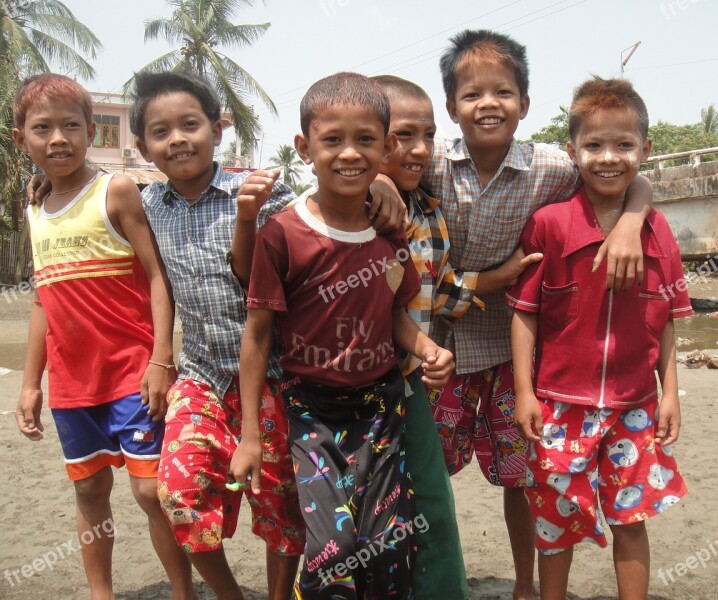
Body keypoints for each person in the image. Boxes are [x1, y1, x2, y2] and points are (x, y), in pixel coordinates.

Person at [420, 30, 655, 599]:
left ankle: (525, 585)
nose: (488, 104)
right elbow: (382, 167)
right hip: (438, 345)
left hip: (514, 346)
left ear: (525, 103)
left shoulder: (552, 165)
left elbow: (626, 175)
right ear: (451, 107)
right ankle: (427, 579)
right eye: (472, 94)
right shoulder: (430, 163)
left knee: (521, 476)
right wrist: (379, 179)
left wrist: (630, 221)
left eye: (503, 91)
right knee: (425, 472)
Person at [237, 72, 454, 600]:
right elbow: (258, 335)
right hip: (311, 415)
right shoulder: (281, 235)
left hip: (382, 408)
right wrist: (249, 436)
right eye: (332, 140)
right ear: (305, 148)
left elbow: (396, 316)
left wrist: (427, 348)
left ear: (386, 149)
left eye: (365, 140)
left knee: (386, 546)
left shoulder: (389, 234)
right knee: (332, 548)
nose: (349, 154)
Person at [11, 73, 195, 599]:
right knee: (90, 488)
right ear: (22, 139)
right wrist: (30, 384)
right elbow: (44, 299)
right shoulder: (35, 208)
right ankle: (101, 593)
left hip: (131, 375)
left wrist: (160, 361)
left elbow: (158, 276)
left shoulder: (114, 191)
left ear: (93, 130)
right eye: (42, 128)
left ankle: (184, 591)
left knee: (150, 491)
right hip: (72, 384)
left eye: (71, 125)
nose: (58, 138)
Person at [507, 77, 690, 600]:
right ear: (573, 151)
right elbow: (525, 316)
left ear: (645, 150)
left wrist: (670, 391)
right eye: (593, 145)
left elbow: (667, 317)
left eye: (624, 145)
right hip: (561, 405)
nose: (608, 158)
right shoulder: (549, 224)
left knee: (631, 519)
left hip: (635, 405)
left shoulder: (658, 231)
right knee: (555, 521)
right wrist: (525, 392)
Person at [127, 70, 304, 600]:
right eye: (161, 131)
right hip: (202, 376)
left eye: (190, 124)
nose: (177, 138)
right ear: (142, 147)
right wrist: (43, 182)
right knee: (176, 493)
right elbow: (89, 194)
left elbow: (282, 269)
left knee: (281, 503)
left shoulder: (263, 192)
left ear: (218, 129)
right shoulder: (149, 204)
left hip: (274, 375)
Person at [370, 73, 475, 600]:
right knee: (360, 510)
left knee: (431, 501)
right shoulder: (351, 206)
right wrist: (376, 183)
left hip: (410, 383)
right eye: (402, 135)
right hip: (350, 391)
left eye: (429, 135)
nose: (419, 149)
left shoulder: (429, 212)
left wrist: (505, 279)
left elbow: (444, 290)